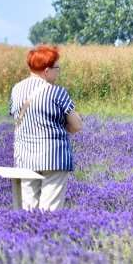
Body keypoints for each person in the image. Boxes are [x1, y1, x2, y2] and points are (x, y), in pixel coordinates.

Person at [10, 44, 83, 211]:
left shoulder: (16, 90)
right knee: (50, 211)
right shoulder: (57, 92)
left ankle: (28, 236)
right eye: (57, 68)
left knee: (28, 210)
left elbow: (18, 118)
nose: (59, 72)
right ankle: (47, 237)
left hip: (25, 159)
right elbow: (77, 125)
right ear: (46, 70)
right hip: (54, 158)